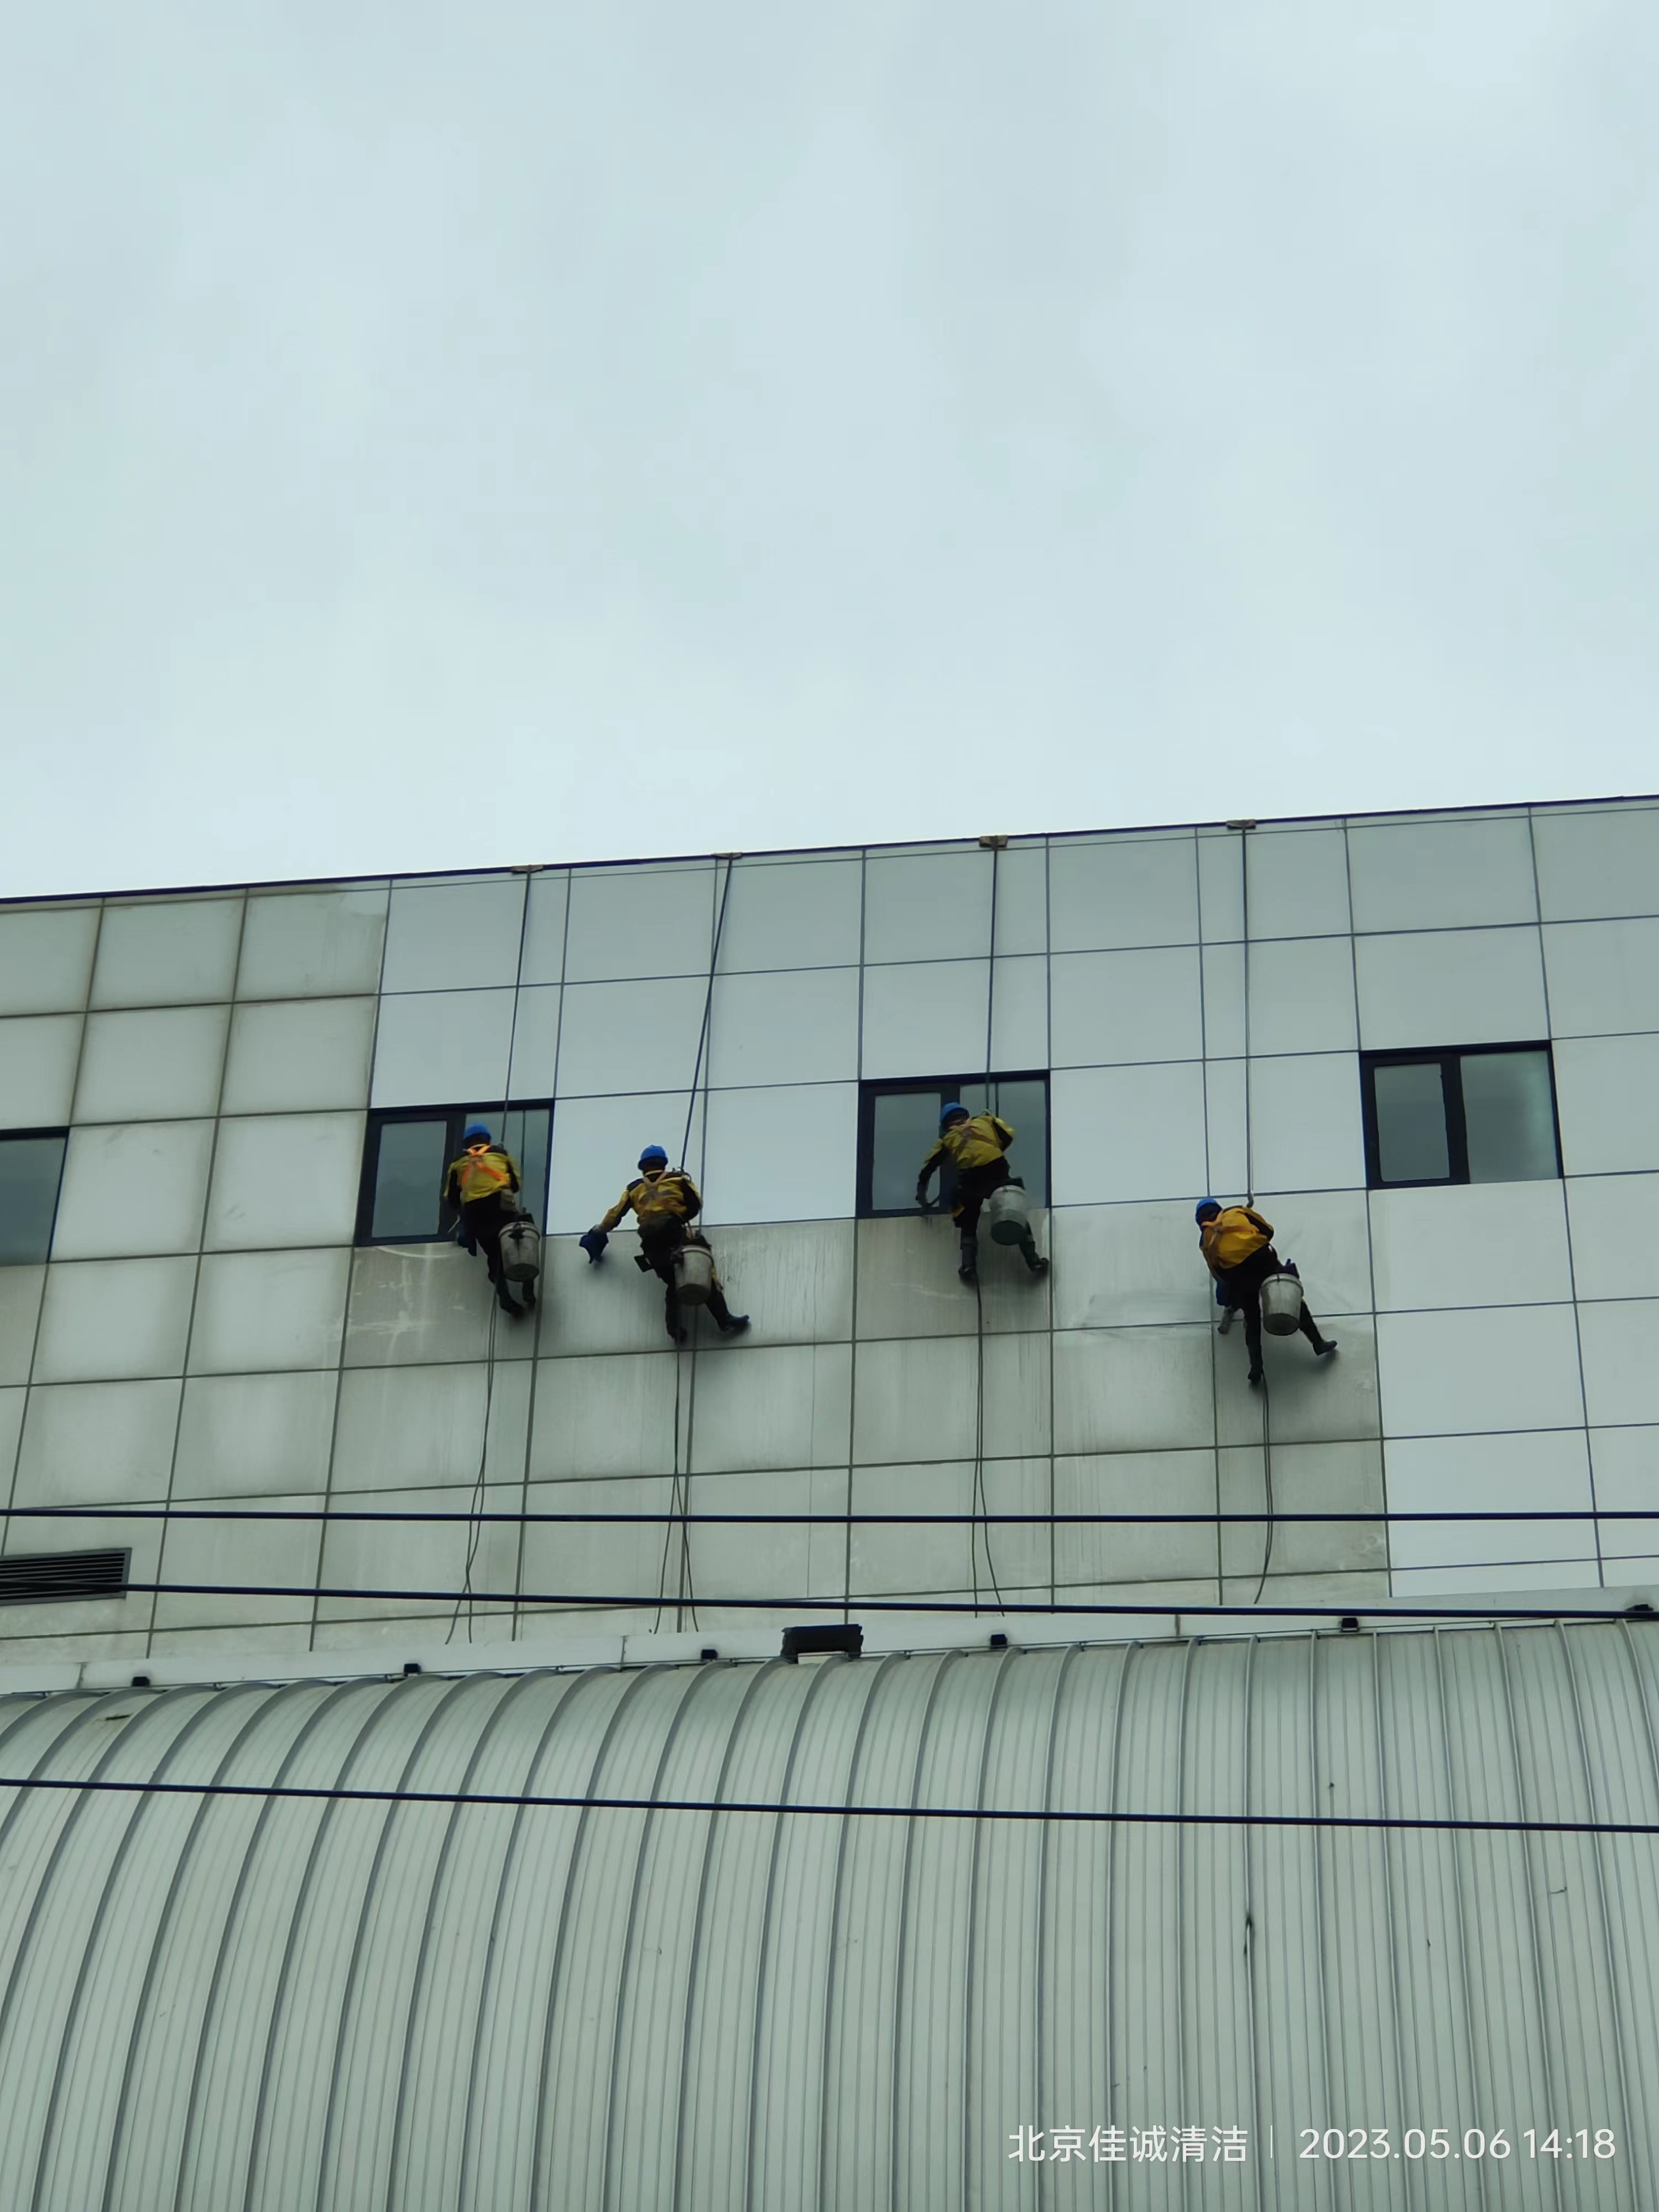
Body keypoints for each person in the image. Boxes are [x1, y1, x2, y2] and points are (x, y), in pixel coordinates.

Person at [580, 1146, 750, 1343]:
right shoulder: (678, 1179)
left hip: (650, 1240)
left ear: (643, 1168)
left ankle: (674, 1329)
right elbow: (696, 1204)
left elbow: (615, 1215)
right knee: (703, 1265)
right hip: (674, 1232)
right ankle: (724, 1319)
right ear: (664, 1163)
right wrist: (681, 1216)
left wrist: (599, 1232)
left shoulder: (633, 1188)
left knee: (673, 1283)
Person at [1194, 1197, 1335, 1385]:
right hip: (1262, 1259)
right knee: (1287, 1293)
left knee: (1252, 1319)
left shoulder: (1205, 1239)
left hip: (1238, 1274)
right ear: (1218, 1209)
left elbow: (1216, 1270)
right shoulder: (1238, 1211)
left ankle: (1256, 1367)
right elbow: (1268, 1230)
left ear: (1200, 1220)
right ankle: (1318, 1343)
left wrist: (1234, 1285)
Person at [915, 1103, 1048, 1285]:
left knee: (968, 1221)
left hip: (971, 1180)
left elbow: (928, 1167)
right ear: (966, 1115)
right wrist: (993, 1145)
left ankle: (969, 1267)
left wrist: (921, 1193)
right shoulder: (986, 1120)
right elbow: (1009, 1135)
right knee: (1013, 1211)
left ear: (946, 1124)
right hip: (997, 1172)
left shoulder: (947, 1138)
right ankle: (1034, 1261)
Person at [442, 1122, 534, 1318]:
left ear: (466, 1143)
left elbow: (451, 1197)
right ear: (487, 1140)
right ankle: (528, 1288)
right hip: (500, 1205)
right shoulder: (501, 1153)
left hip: (475, 1212)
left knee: (494, 1254)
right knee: (521, 1237)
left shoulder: (457, 1162)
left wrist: (464, 1216)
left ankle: (505, 1297)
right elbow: (516, 1184)